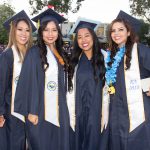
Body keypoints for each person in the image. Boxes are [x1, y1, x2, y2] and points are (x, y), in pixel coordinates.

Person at [14, 8, 71, 150]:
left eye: (54, 30)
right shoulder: (34, 53)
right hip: (39, 111)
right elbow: (28, 83)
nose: (50, 34)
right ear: (41, 32)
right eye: (46, 30)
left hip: (61, 110)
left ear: (59, 32)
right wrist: (30, 111)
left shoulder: (62, 54)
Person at [106, 15, 150, 150]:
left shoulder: (140, 50)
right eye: (113, 31)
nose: (116, 33)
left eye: (121, 29)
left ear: (129, 32)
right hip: (117, 112)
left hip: (138, 110)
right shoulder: (112, 56)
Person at [67, 22, 106, 150]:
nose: (83, 40)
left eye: (87, 35)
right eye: (79, 37)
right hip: (78, 112)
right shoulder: (73, 61)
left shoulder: (106, 58)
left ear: (93, 37)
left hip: (98, 111)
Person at [0, 10, 36, 150]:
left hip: (30, 111)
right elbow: (1, 85)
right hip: (12, 113)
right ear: (13, 31)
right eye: (20, 29)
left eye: (27, 30)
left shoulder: (32, 54)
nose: (24, 33)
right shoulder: (7, 56)